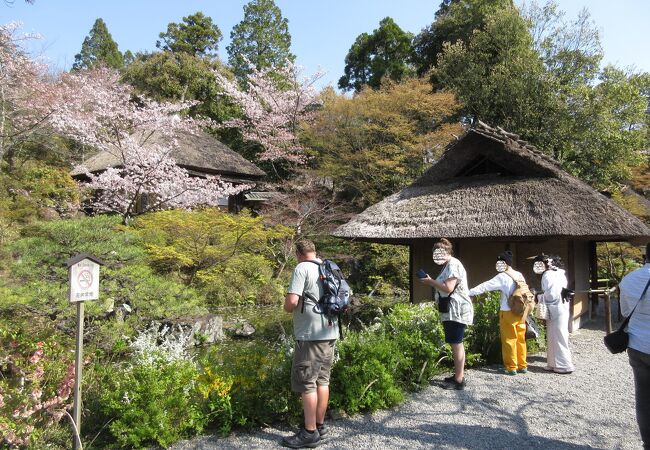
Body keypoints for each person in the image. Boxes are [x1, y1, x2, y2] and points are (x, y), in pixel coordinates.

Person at [281, 239, 337, 449]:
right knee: (323, 380)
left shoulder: (301, 268)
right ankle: (319, 424)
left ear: (298, 253)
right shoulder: (327, 267)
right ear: (314, 252)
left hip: (310, 335)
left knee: (307, 382)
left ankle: (309, 433)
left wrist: (287, 306)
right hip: (330, 332)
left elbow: (292, 302)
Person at [418, 238, 473, 390]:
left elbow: (448, 288)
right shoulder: (448, 265)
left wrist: (430, 282)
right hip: (452, 310)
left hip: (457, 310)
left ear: (447, 252)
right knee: (455, 342)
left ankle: (459, 379)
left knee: (456, 343)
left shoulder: (453, 264)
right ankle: (458, 376)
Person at [468, 251, 528, 375]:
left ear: (504, 263)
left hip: (508, 311)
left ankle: (511, 367)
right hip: (521, 311)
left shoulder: (502, 276)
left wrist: (470, 292)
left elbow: (486, 286)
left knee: (509, 339)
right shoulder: (519, 275)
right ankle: (522, 365)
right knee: (520, 339)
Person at [619, 244, 650, 449]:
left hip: (637, 344)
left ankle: (647, 442)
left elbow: (624, 312)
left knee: (644, 396)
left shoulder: (629, 279)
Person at [532, 254, 574, 374]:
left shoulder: (548, 275)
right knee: (555, 335)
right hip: (562, 306)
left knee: (557, 335)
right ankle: (552, 363)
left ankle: (564, 365)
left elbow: (551, 295)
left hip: (555, 307)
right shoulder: (560, 274)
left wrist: (538, 296)